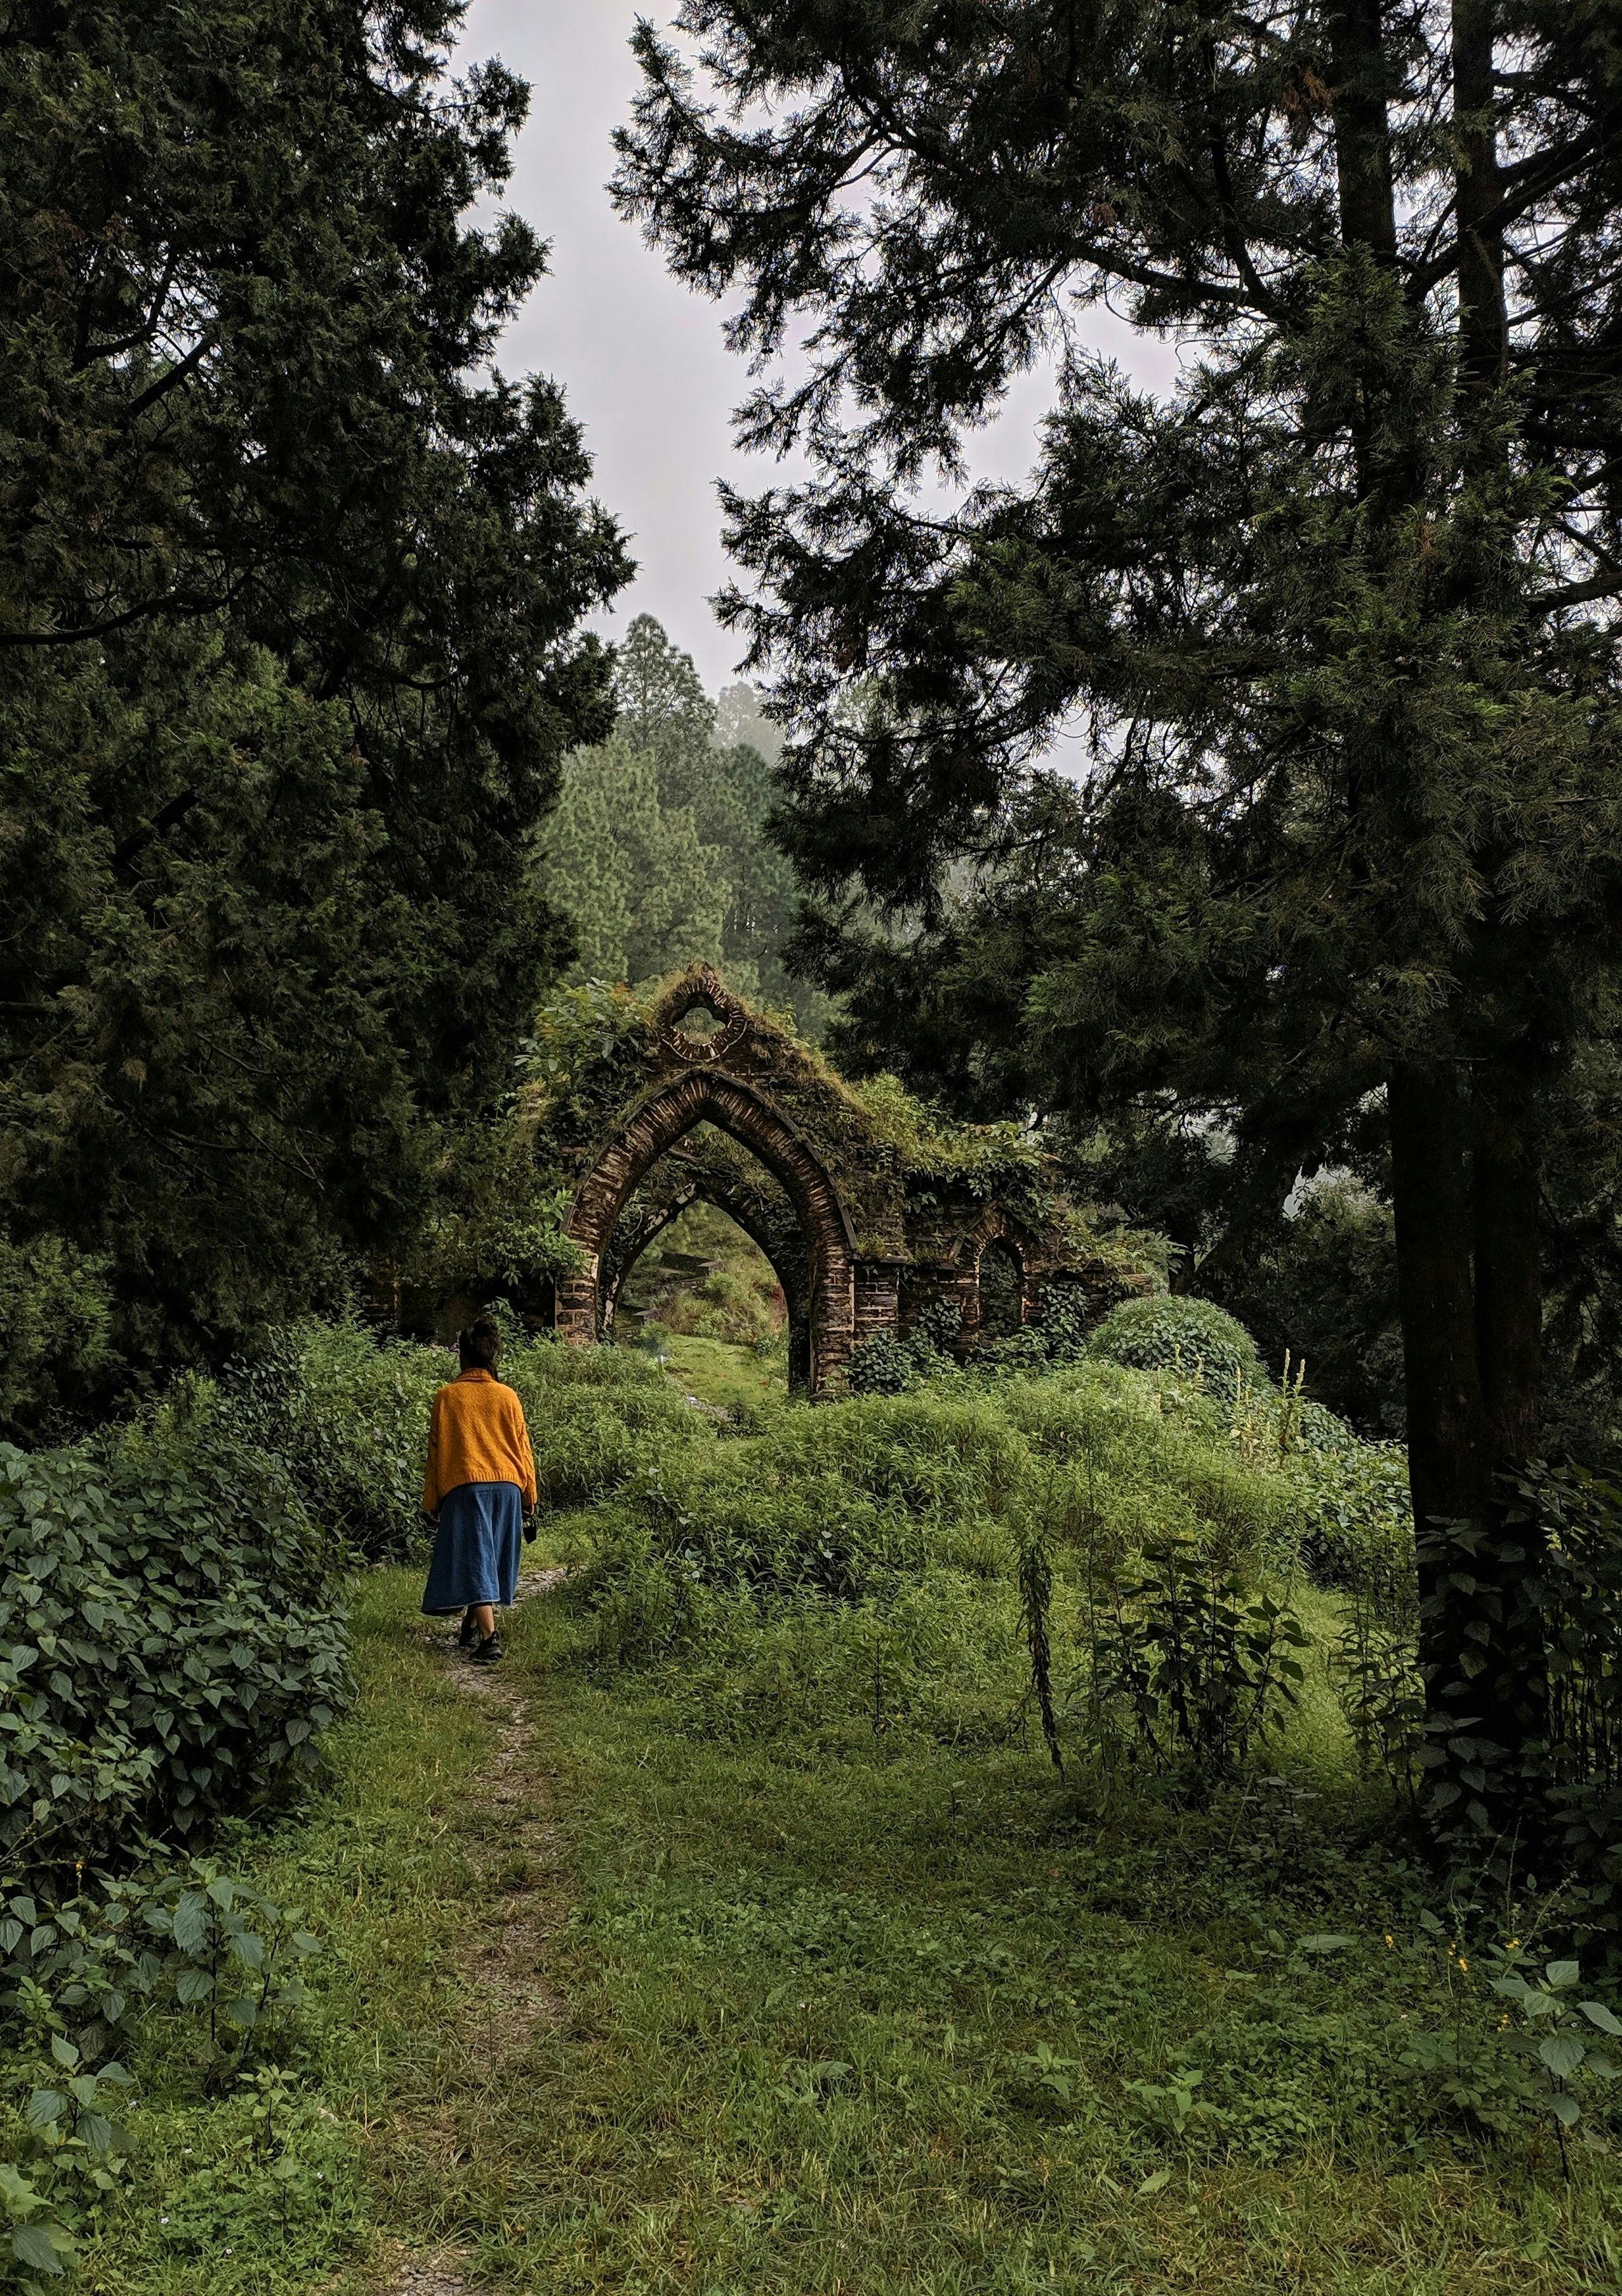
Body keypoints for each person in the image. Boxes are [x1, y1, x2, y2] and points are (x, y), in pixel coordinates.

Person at [420, 1315, 537, 1666]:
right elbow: (523, 1448)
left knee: (476, 1557)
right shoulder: (508, 1396)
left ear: (463, 1357)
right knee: (490, 1557)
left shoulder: (448, 1397)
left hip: (467, 1487)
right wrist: (530, 1495)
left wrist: (433, 1499)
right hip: (508, 1488)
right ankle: (471, 1626)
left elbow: (437, 1452)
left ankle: (489, 1640)